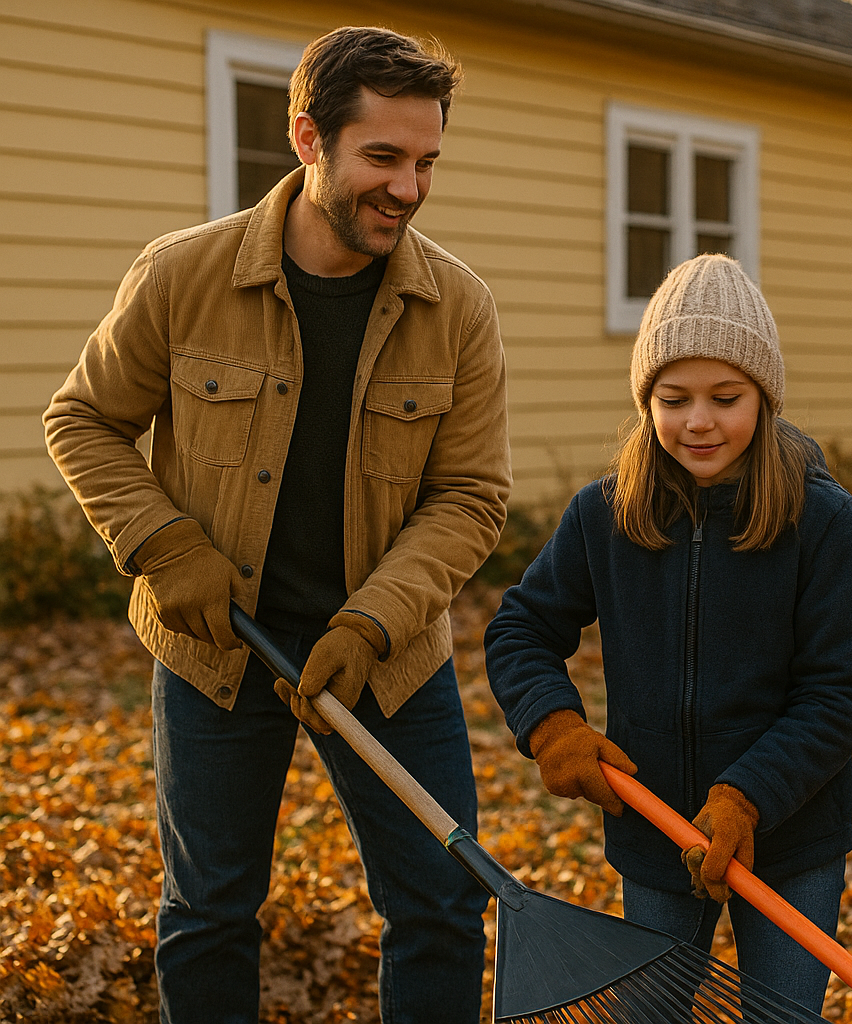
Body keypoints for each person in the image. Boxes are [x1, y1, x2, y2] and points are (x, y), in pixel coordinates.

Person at [43, 26, 510, 1023]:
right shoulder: (183, 275)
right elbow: (81, 419)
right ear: (308, 138)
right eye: (382, 157)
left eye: (426, 161)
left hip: (386, 658)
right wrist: (165, 545)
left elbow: (470, 496)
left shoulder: (459, 308)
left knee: (439, 907)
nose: (409, 188)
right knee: (209, 911)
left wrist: (371, 623)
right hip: (219, 651)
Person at [484, 254, 852, 1013]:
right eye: (674, 399)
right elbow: (521, 627)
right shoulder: (604, 515)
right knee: (650, 1013)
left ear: (764, 399)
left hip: (789, 840)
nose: (699, 421)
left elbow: (842, 690)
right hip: (656, 834)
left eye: (726, 398)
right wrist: (552, 724)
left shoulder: (821, 520)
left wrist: (748, 797)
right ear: (646, 401)